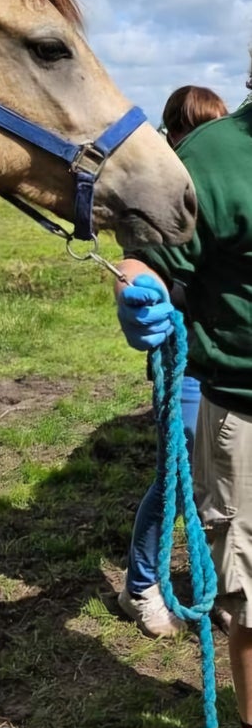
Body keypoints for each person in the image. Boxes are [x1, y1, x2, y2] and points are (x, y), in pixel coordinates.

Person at [114, 95, 252, 728]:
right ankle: (143, 583)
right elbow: (152, 255)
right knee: (247, 591)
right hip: (229, 397)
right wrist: (137, 285)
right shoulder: (212, 158)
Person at [118, 86, 228, 638]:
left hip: (224, 359)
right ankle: (140, 584)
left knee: (222, 481)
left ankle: (225, 581)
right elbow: (137, 260)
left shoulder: (220, 180)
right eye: (190, 130)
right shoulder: (162, 192)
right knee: (179, 474)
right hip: (181, 356)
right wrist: (141, 288)